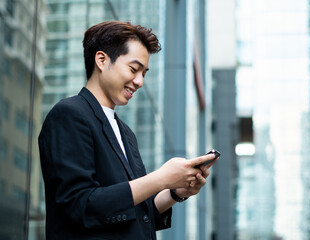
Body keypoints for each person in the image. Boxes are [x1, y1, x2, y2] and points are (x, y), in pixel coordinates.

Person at [38, 21, 217, 240]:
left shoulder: (125, 133)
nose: (140, 81)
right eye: (134, 69)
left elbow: (136, 210)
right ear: (101, 60)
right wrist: (160, 178)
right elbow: (80, 206)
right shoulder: (69, 114)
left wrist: (175, 191)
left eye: (144, 73)